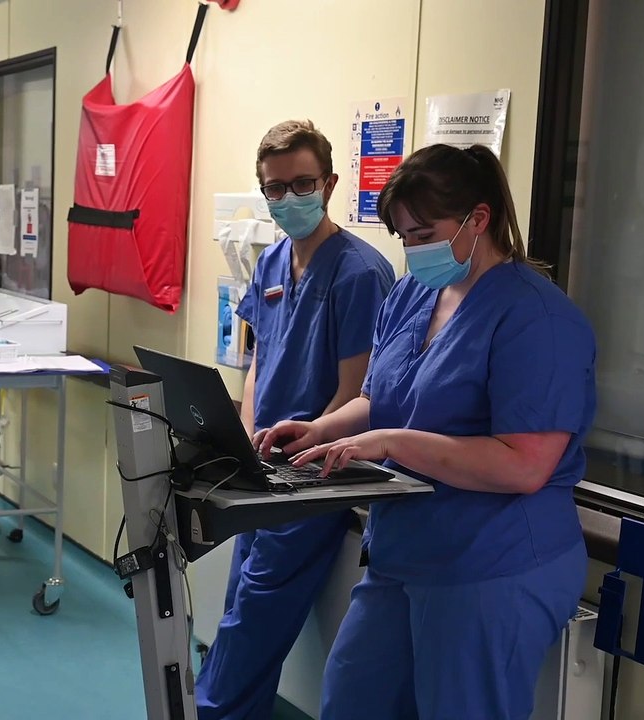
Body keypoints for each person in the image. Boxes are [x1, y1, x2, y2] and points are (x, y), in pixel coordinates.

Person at [255, 143, 596, 720]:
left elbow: (524, 464)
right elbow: (378, 397)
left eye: (424, 233)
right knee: (353, 697)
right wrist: (317, 430)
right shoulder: (416, 293)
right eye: (404, 237)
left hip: (494, 563)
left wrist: (393, 443)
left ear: (478, 220)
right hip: (405, 550)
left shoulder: (538, 319)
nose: (413, 249)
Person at [195, 120, 394, 720]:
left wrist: (295, 460)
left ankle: (213, 711)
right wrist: (247, 440)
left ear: (329, 183)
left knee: (253, 613)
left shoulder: (360, 273)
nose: (287, 199)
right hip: (263, 469)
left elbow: (354, 392)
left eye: (301, 184)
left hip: (312, 476)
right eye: (273, 189)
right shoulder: (274, 261)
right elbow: (260, 359)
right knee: (238, 603)